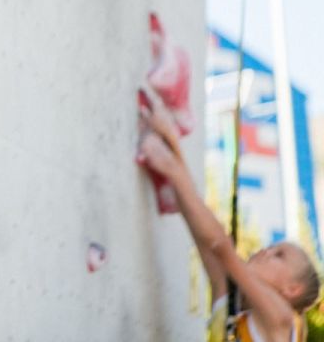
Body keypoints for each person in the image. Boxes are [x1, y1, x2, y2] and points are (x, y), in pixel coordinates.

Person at [136, 90, 320, 342]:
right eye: (272, 248)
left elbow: (221, 247)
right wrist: (169, 142)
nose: (265, 251)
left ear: (291, 289)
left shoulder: (284, 322)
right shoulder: (231, 305)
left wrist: (168, 162)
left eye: (279, 255)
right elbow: (203, 234)